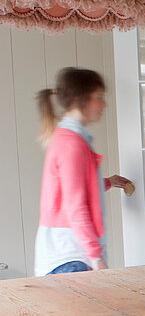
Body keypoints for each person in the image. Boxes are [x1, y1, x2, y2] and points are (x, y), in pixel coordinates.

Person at [34, 67, 132, 276]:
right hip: (70, 259)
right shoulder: (72, 144)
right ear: (81, 99)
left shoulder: (68, 138)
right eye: (99, 97)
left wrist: (108, 182)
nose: (104, 104)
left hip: (66, 257)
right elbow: (75, 207)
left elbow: (72, 190)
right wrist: (97, 258)